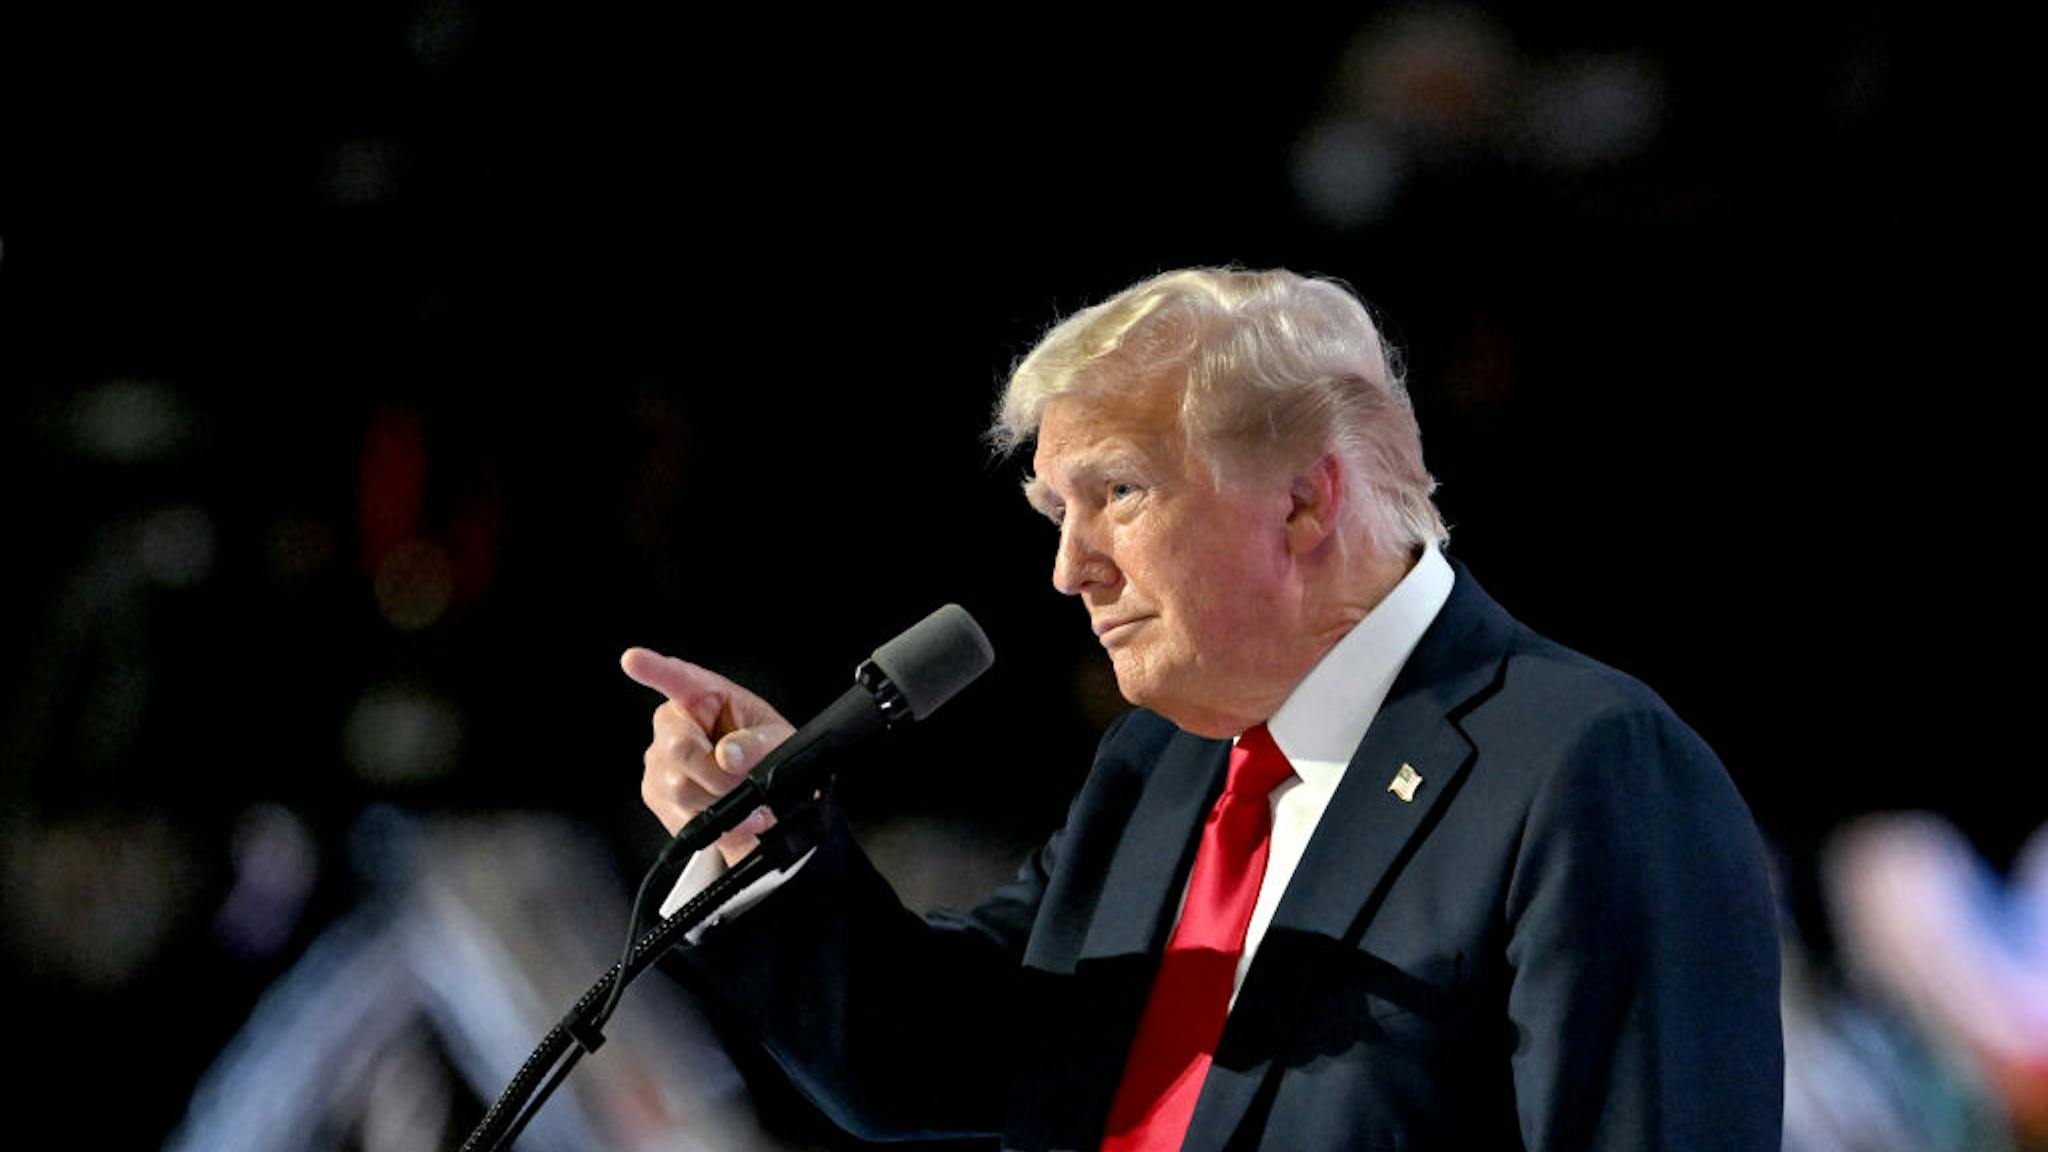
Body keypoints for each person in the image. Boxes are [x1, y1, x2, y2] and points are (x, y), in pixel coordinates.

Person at [622, 267, 1782, 1151]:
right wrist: (757, 844)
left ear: (1304, 502)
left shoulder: (1581, 767)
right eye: (1054, 512)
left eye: (1117, 492)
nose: (1069, 569)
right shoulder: (1162, 767)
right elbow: (935, 1055)